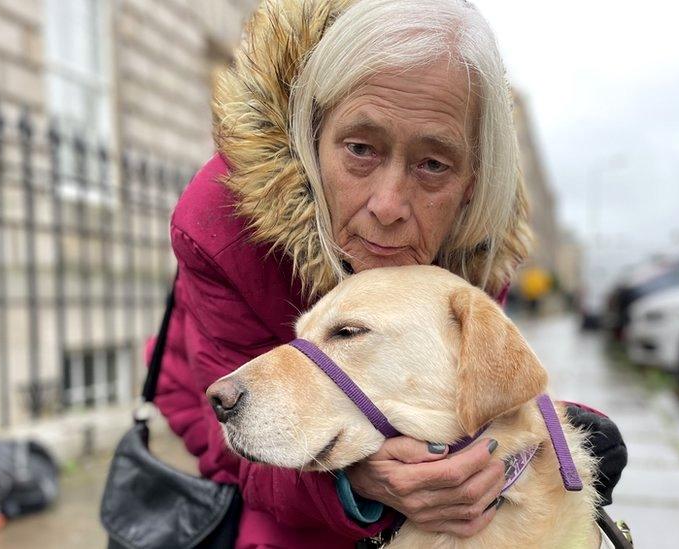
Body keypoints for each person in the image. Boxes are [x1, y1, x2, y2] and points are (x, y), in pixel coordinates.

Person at [151, 0, 627, 547]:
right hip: (211, 393)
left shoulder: (475, 239)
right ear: (312, 137)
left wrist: (548, 429)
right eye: (359, 149)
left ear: (472, 180)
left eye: (433, 165)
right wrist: (357, 487)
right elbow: (228, 420)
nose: (389, 205)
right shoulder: (222, 224)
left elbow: (464, 388)